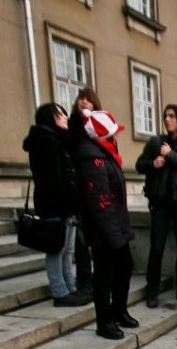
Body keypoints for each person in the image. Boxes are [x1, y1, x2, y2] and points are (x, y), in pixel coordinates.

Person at [75, 109, 136, 340]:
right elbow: (100, 200)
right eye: (111, 135)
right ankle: (105, 321)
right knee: (103, 275)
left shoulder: (105, 154)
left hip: (115, 226)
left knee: (124, 268)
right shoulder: (94, 159)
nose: (115, 138)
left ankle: (119, 310)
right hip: (104, 231)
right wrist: (112, 234)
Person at [135, 104, 177, 308]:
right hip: (160, 203)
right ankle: (152, 290)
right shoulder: (155, 142)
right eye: (165, 116)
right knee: (156, 248)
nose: (167, 119)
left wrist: (171, 155)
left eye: (172, 116)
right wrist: (152, 164)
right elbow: (140, 165)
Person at [23, 103, 89, 306]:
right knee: (56, 249)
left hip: (66, 205)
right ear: (49, 117)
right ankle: (60, 291)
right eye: (60, 114)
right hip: (54, 205)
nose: (65, 118)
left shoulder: (59, 140)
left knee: (68, 249)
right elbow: (52, 179)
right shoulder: (45, 141)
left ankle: (70, 287)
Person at [67, 88, 101, 295]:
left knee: (97, 239)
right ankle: (84, 279)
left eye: (88, 100)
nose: (84, 103)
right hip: (79, 190)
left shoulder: (100, 126)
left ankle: (98, 277)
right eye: (81, 99)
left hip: (96, 190)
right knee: (80, 240)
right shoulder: (72, 126)